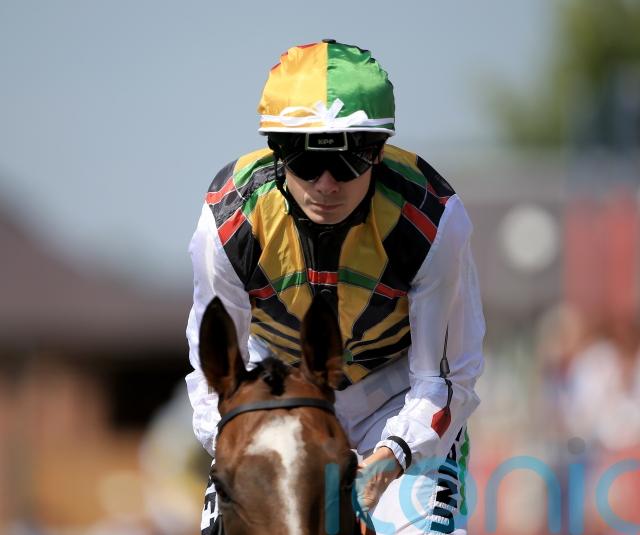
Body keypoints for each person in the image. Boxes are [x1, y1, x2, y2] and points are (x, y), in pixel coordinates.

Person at [186, 40, 485, 534]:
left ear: (379, 151)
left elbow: (445, 379)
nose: (326, 184)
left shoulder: (434, 221)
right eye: (306, 159)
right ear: (277, 151)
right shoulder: (228, 223)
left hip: (397, 399)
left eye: (348, 160)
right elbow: (210, 376)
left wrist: (391, 456)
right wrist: (240, 441)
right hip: (276, 396)